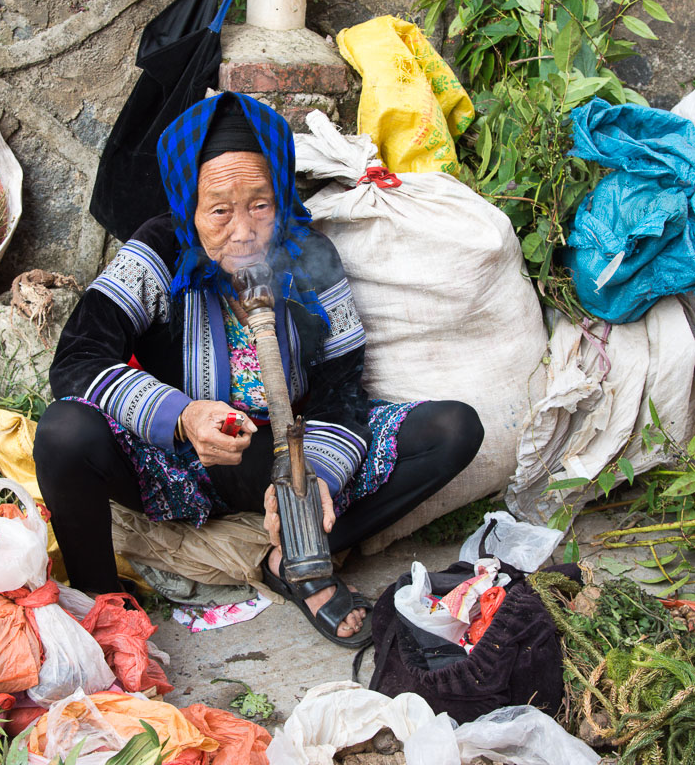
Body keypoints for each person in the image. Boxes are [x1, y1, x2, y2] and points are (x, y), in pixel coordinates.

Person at [34, 92, 483, 647]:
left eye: (261, 205)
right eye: (219, 210)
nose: (243, 231)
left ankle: (290, 557)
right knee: (63, 432)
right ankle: (104, 612)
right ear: (188, 203)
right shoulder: (158, 248)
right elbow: (77, 359)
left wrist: (311, 476)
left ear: (280, 196)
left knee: (452, 430)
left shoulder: (309, 257)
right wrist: (182, 415)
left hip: (276, 461)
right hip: (177, 463)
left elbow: (342, 387)